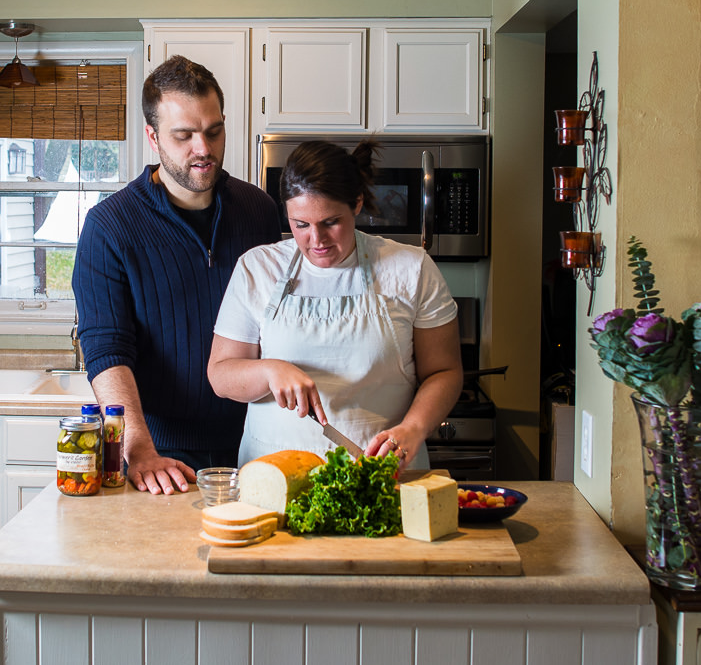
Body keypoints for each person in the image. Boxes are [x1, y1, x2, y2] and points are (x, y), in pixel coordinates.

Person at [74, 55, 277, 493]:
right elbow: (106, 350)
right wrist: (137, 446)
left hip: (258, 440)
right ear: (152, 136)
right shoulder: (109, 226)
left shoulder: (258, 210)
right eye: (183, 135)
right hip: (161, 456)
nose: (203, 148)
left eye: (214, 131)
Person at [207, 139, 463, 468]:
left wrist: (413, 429)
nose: (317, 241)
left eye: (331, 222)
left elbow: (445, 372)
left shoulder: (410, 269)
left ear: (356, 203)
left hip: (385, 473)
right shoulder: (257, 268)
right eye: (300, 225)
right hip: (272, 474)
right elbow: (221, 375)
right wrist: (270, 370)